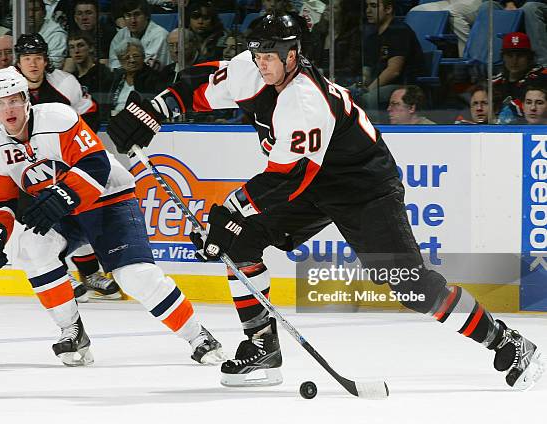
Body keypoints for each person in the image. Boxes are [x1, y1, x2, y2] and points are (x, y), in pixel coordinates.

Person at [106, 13, 544, 390]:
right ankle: (262, 346)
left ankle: (505, 341)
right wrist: (155, 109)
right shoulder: (253, 68)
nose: (262, 65)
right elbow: (200, 88)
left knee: (409, 284)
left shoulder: (305, 100)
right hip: (311, 184)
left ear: (293, 54)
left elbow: (287, 177)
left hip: (363, 187)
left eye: (270, 57)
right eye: (257, 55)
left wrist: (231, 211)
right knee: (240, 244)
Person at [0, 66, 226, 366]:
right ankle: (72, 331)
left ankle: (198, 335)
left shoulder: (58, 118)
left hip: (108, 198)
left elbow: (95, 165)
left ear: (26, 99)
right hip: (64, 211)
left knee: (135, 277)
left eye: (14, 100)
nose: (8, 109)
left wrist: (62, 197)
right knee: (30, 248)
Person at [0, 33, 115, 301]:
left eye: (38, 58)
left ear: (46, 61)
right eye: (26, 59)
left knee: (75, 210)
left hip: (63, 160)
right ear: (18, 62)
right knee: (36, 219)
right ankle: (58, 271)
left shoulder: (65, 84)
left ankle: (89, 273)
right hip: (23, 164)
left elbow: (90, 114)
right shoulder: (0, 88)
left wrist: (71, 151)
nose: (32, 65)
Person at [361, 0, 424, 112]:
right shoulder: (372, 37)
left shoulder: (399, 31)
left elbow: (393, 71)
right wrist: (361, 84)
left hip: (402, 85)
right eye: (367, 6)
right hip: (379, 85)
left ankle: (372, 127)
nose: (368, 11)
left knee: (368, 98)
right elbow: (367, 68)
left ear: (388, 9)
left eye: (374, 6)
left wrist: (368, 89)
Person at [493, 32, 547, 124]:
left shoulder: (542, 78)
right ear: (503, 57)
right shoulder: (496, 82)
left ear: (529, 57)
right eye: (510, 56)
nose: (514, 61)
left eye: (520, 56)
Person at [108, 0, 171, 70]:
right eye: (128, 15)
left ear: (147, 16)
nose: (133, 20)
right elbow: (113, 63)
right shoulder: (120, 35)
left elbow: (148, 66)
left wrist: (125, 65)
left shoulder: (160, 35)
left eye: (137, 14)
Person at [409, 0, 481, 57]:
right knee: (417, 10)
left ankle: (467, 56)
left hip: (477, 2)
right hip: (450, 2)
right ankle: (423, 57)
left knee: (452, 11)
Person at [109, 39, 162, 116]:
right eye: (127, 57)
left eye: (136, 56)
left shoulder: (153, 78)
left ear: (143, 57)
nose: (132, 60)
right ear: (120, 60)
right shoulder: (116, 78)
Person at [28, 0, 68, 69]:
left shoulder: (57, 35)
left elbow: (54, 66)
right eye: (27, 10)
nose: (31, 14)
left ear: (44, 13)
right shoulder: (20, 29)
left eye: (35, 10)